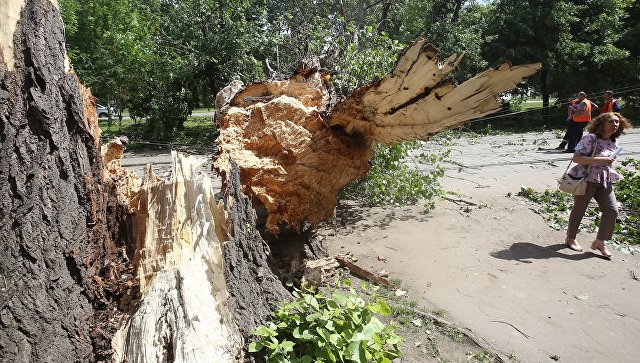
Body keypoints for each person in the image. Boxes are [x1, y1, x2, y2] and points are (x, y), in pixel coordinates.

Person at [564, 112, 632, 258]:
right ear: (602, 124)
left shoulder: (614, 141)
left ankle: (600, 241)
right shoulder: (590, 138)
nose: (615, 124)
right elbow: (576, 158)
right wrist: (600, 159)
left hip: (604, 180)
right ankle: (570, 238)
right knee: (579, 210)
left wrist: (608, 161)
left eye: (617, 122)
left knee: (612, 211)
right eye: (611, 122)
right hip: (586, 180)